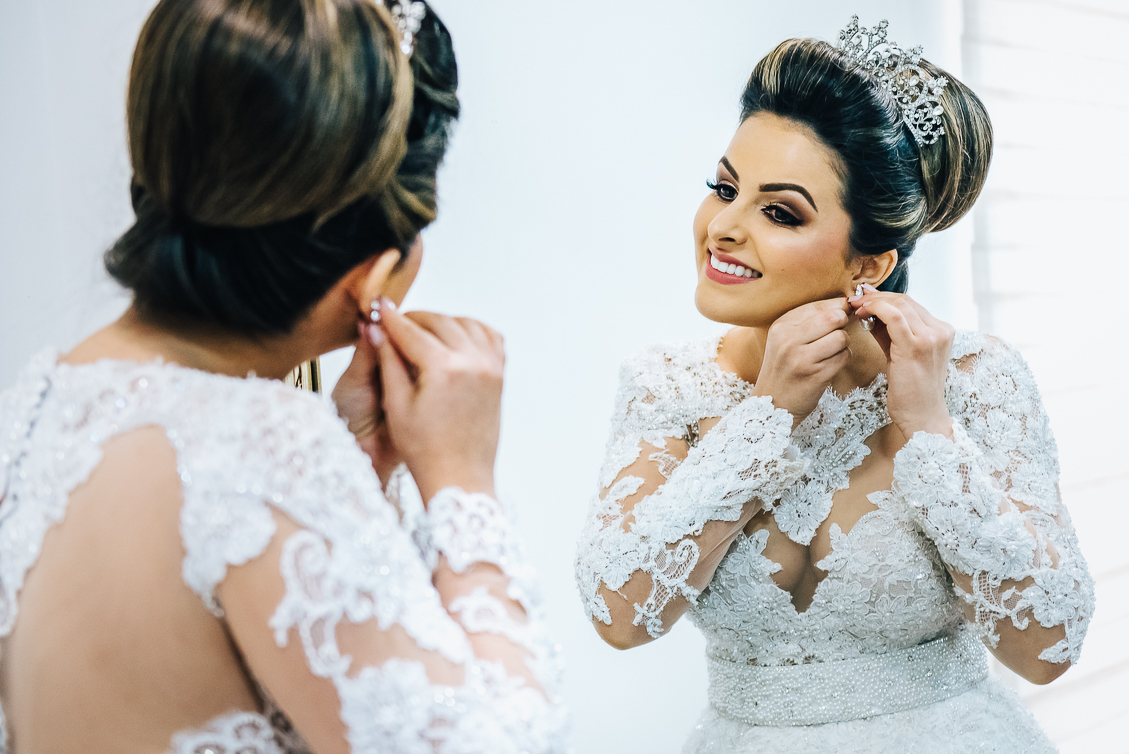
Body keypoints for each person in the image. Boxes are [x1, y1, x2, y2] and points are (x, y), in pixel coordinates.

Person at [0, 1, 566, 751]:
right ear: (375, 275)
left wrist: (356, 456)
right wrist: (462, 483)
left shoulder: (39, 405)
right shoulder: (258, 449)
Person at [574, 17, 1093, 753]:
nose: (722, 226)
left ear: (868, 265)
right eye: (723, 188)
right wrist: (765, 415)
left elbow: (1047, 647)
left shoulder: (976, 379)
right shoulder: (667, 384)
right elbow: (618, 616)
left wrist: (926, 426)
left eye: (779, 211)